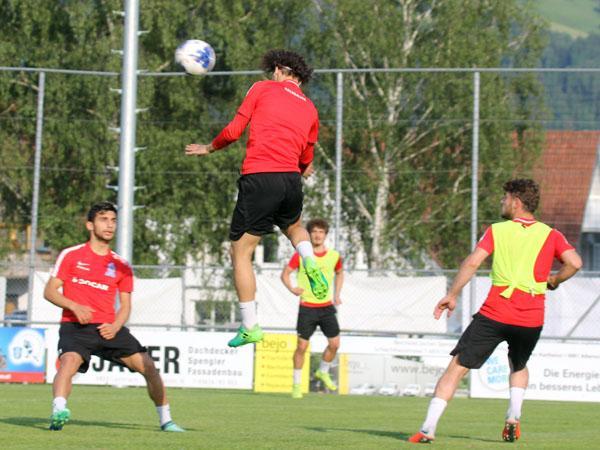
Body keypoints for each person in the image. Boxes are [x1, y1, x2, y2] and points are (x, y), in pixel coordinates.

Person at [408, 179, 582, 444]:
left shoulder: (497, 231)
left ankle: (427, 428)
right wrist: (554, 280)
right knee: (519, 364)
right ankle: (513, 416)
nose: (502, 201)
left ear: (516, 202)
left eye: (505, 197)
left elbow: (472, 262)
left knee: (457, 368)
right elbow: (575, 262)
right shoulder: (551, 234)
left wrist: (452, 295)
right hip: (531, 317)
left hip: (495, 312)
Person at [185, 49, 328, 348]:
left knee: (240, 251)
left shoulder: (262, 88)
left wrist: (209, 148)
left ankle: (250, 325)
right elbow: (306, 156)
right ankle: (309, 260)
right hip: (291, 180)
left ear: (279, 69)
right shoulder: (311, 108)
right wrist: (303, 167)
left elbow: (234, 131)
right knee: (294, 226)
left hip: (260, 176)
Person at [43, 202, 184, 432]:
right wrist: (74, 306)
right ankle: (59, 411)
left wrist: (116, 326)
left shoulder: (121, 264)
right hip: (76, 327)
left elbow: (126, 306)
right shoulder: (71, 255)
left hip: (109, 329)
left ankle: (166, 421)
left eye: (113, 220)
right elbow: (50, 291)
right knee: (69, 362)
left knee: (149, 367)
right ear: (90, 225)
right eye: (103, 219)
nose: (109, 225)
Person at [280, 218, 344, 398]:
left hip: (326, 307)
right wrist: (292, 288)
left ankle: (323, 371)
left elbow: (340, 273)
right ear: (309, 234)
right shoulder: (302, 255)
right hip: (307, 307)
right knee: (302, 346)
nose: (317, 235)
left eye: (321, 232)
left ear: (326, 235)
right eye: (314, 231)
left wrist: (337, 294)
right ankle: (296, 385)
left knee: (335, 344)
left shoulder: (334, 256)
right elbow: (285, 274)